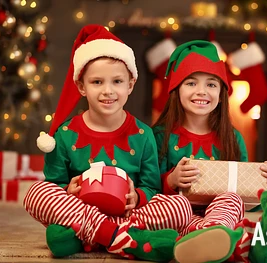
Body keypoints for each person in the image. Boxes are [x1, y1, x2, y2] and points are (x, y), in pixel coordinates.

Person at [23, 24, 193, 262]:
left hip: (128, 214)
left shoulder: (143, 134)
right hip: (80, 210)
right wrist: (67, 190)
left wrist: (137, 197)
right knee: (36, 193)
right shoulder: (64, 134)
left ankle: (89, 237)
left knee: (180, 207)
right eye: (97, 82)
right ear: (82, 86)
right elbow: (55, 184)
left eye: (116, 81)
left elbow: (152, 188)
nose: (108, 91)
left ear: (130, 85)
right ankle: (124, 238)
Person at [152, 40, 267, 263]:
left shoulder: (233, 138)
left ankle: (215, 238)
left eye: (211, 84)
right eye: (191, 83)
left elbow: (247, 200)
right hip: (178, 215)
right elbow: (149, 188)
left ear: (221, 93)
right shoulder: (160, 136)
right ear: (176, 89)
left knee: (231, 199)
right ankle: (245, 243)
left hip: (221, 217)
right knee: (175, 207)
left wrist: (264, 183)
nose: (201, 91)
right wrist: (171, 179)